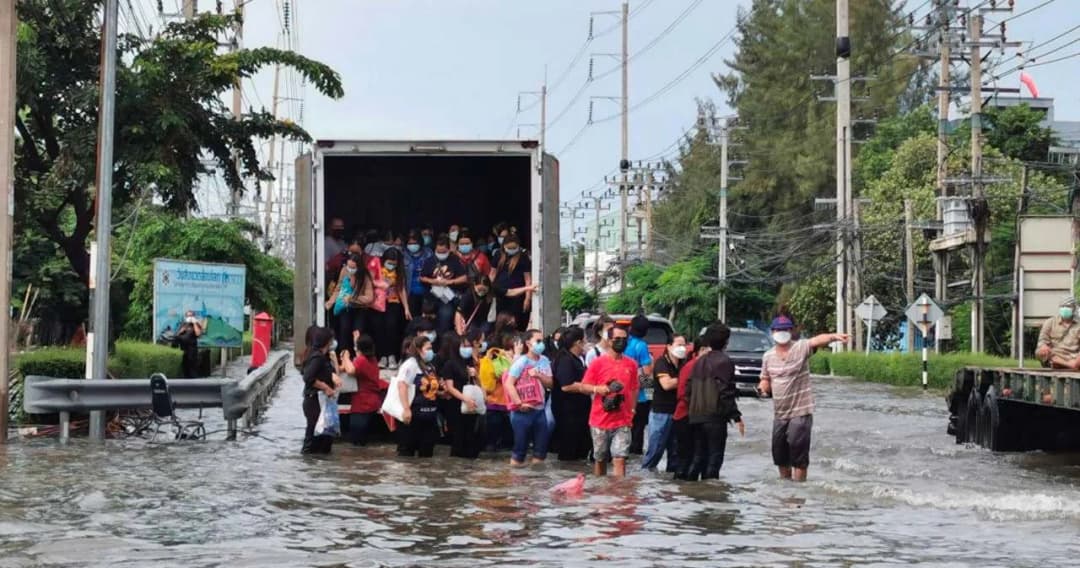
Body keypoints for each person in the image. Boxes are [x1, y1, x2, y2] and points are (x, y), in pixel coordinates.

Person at [757, 315, 849, 482]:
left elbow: (817, 340)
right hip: (780, 413)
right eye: (779, 330)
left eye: (786, 329)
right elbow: (765, 379)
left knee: (798, 451)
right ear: (772, 332)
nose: (782, 332)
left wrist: (834, 336)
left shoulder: (800, 348)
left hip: (800, 411)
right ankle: (785, 489)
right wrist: (762, 389)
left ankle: (799, 489)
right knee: (779, 454)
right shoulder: (768, 356)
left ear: (791, 331)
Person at [573, 326, 639, 477]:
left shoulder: (632, 364)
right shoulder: (597, 362)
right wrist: (599, 389)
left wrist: (634, 409)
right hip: (600, 419)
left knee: (620, 458)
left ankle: (619, 493)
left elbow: (637, 386)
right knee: (600, 458)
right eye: (617, 339)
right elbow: (583, 386)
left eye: (624, 339)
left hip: (623, 420)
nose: (621, 342)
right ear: (609, 341)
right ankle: (600, 490)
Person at [684, 323, 744, 480]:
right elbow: (726, 392)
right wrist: (736, 416)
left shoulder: (698, 362)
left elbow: (688, 390)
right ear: (726, 342)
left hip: (696, 416)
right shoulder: (725, 361)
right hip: (714, 418)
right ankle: (710, 496)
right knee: (714, 459)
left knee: (697, 458)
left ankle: (689, 493)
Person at [504, 330, 554, 466]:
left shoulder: (544, 361)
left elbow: (550, 384)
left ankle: (536, 483)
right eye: (538, 341)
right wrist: (519, 404)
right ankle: (516, 484)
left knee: (540, 452)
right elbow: (509, 383)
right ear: (528, 343)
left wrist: (539, 375)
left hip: (539, 410)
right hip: (521, 412)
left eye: (542, 341)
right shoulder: (521, 362)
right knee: (519, 453)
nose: (541, 344)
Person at [641, 334, 688, 471]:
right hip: (660, 413)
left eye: (684, 345)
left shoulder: (683, 364)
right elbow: (666, 384)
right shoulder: (662, 362)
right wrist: (685, 379)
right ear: (668, 346)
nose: (682, 348)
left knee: (675, 453)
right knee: (655, 451)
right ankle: (645, 479)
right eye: (679, 345)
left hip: (677, 412)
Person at [393, 335, 441, 458]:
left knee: (426, 455)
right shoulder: (410, 365)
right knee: (407, 455)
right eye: (428, 348)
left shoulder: (430, 366)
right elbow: (402, 385)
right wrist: (406, 409)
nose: (431, 351)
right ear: (419, 349)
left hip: (429, 417)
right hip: (413, 417)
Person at [438, 333, 484, 458]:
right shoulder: (450, 364)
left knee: (471, 436)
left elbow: (479, 385)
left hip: (471, 405)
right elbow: (450, 387)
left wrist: (476, 375)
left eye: (469, 346)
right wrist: (465, 399)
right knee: (458, 437)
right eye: (465, 346)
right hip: (456, 404)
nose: (468, 349)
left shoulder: (470, 364)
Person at [338, 335, 389, 446]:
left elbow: (350, 370)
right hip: (372, 402)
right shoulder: (372, 359)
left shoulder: (361, 361)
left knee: (357, 440)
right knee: (363, 439)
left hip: (362, 404)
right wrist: (356, 340)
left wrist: (345, 357)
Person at [552, 327, 592, 462]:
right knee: (569, 449)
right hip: (568, 412)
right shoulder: (565, 359)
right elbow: (566, 385)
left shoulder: (577, 358)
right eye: (585, 340)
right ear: (578, 342)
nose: (587, 343)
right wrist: (593, 388)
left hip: (579, 411)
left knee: (582, 446)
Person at [301, 327, 342, 455]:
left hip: (321, 400)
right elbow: (308, 377)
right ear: (327, 341)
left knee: (325, 437)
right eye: (331, 340)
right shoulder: (317, 357)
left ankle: (319, 468)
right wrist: (325, 387)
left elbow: (333, 374)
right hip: (315, 400)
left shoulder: (323, 357)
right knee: (314, 437)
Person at [672, 338, 708, 480]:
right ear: (701, 350)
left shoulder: (700, 366)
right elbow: (682, 394)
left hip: (692, 416)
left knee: (692, 456)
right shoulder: (692, 366)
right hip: (685, 416)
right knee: (687, 458)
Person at [325, 254, 374, 352]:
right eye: (348, 266)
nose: (350, 269)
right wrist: (330, 302)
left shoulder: (365, 276)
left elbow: (369, 298)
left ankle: (357, 355)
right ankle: (344, 355)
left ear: (359, 267)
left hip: (359, 308)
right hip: (345, 306)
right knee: (344, 330)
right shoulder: (344, 271)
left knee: (357, 332)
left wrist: (353, 298)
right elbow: (339, 288)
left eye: (353, 267)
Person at [479, 331, 518, 452]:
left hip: (507, 404)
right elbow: (505, 375)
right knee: (494, 439)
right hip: (495, 403)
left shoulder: (507, 360)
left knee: (507, 441)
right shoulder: (493, 361)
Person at [421, 235, 468, 334]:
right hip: (432, 296)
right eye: (438, 252)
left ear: (448, 249)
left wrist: (449, 282)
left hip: (448, 296)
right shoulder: (430, 260)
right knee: (426, 322)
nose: (441, 254)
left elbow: (464, 278)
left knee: (445, 316)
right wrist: (432, 281)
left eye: (443, 252)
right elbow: (422, 277)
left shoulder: (454, 260)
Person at [491, 234, 536, 332]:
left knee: (516, 321)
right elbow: (492, 274)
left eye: (514, 248)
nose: (511, 250)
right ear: (504, 246)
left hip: (518, 296)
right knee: (501, 321)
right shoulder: (498, 254)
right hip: (501, 294)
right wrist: (490, 291)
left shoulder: (523, 257)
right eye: (509, 248)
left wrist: (527, 298)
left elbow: (528, 279)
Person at [626, 314, 655, 455]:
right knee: (638, 432)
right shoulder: (641, 346)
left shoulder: (623, 343)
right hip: (640, 398)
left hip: (623, 395)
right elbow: (647, 374)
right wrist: (651, 397)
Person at [379, 248, 412, 369]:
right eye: (389, 262)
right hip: (379, 303)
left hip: (393, 302)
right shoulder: (377, 269)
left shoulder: (399, 272)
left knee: (391, 327)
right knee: (380, 329)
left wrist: (406, 308)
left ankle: (392, 356)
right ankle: (382, 356)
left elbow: (401, 289)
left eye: (394, 263)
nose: (391, 265)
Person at [1036, 296, 1080, 369]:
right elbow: (1042, 340)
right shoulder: (1050, 322)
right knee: (1040, 351)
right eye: (1063, 306)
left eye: (1068, 306)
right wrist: (1044, 346)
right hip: (1055, 354)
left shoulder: (1078, 324)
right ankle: (1069, 365)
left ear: (1074, 308)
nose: (1065, 308)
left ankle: (1065, 364)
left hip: (1072, 356)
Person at [403, 230, 433, 320]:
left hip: (427, 291)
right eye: (410, 243)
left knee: (427, 320)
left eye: (415, 243)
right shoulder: (403, 254)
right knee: (413, 319)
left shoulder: (428, 253)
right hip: (410, 292)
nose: (412, 245)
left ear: (420, 242)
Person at [175, 310, 204, 379]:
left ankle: (193, 380)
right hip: (183, 348)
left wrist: (194, 323)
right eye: (188, 316)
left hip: (192, 349)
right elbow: (177, 335)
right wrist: (181, 331)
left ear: (194, 316)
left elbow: (198, 334)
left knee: (192, 365)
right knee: (185, 366)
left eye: (191, 315)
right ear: (185, 316)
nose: (189, 317)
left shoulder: (196, 324)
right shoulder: (183, 324)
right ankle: (185, 379)